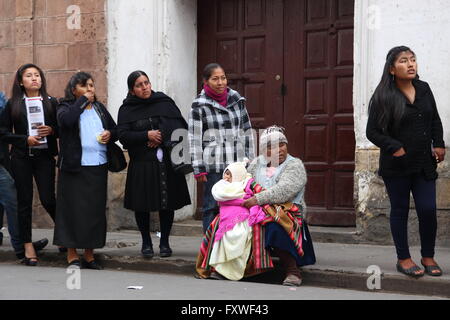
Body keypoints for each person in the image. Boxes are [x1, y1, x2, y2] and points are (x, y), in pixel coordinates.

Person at [196, 126, 316, 286]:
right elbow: (244, 182)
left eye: (281, 144)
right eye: (271, 146)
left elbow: (284, 191)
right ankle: (226, 268)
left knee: (273, 225)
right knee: (226, 222)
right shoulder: (256, 164)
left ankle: (292, 271)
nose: (278, 150)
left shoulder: (294, 165)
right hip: (258, 209)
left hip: (287, 211)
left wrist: (256, 199)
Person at [366, 46, 445, 278]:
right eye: (403, 61)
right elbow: (372, 132)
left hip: (423, 163)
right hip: (397, 165)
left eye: (413, 60)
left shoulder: (424, 89)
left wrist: (439, 143)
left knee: (428, 210)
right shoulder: (383, 96)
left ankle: (428, 256)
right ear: (392, 68)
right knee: (399, 210)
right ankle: (404, 258)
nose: (411, 64)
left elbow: (435, 120)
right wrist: (394, 147)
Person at [118, 71, 191, 258]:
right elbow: (123, 136)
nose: (145, 87)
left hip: (166, 161)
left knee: (167, 204)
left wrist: (161, 136)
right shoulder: (127, 109)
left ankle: (164, 242)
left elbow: (179, 127)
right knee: (142, 204)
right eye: (139, 85)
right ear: (132, 90)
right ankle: (146, 242)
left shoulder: (164, 102)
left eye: (146, 83)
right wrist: (146, 136)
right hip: (142, 162)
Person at [53, 72, 118, 269]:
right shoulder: (65, 107)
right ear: (74, 91)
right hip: (73, 168)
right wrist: (81, 102)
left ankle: (89, 255)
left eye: (91, 85)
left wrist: (109, 134)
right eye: (84, 86)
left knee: (94, 212)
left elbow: (116, 130)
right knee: (71, 211)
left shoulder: (99, 108)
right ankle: (72, 254)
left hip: (97, 165)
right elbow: (67, 122)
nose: (90, 89)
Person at [0, 64, 59, 265]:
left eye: (37, 75)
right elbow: (3, 132)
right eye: (29, 75)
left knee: (48, 199)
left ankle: (65, 235)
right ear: (20, 81)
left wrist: (51, 130)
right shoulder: (13, 104)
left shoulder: (51, 102)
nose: (34, 78)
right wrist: (24, 139)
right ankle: (27, 245)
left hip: (44, 158)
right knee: (24, 202)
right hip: (21, 158)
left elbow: (62, 129)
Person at [188, 63, 255, 233]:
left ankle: (234, 246)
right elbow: (194, 138)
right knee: (211, 206)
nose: (220, 82)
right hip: (213, 166)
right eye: (215, 79)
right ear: (206, 81)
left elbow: (247, 131)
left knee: (237, 204)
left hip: (237, 166)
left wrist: (251, 161)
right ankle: (210, 248)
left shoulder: (237, 100)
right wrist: (198, 169)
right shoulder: (199, 105)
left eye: (223, 78)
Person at [208, 161, 266, 280]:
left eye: (230, 175)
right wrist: (241, 200)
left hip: (243, 213)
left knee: (241, 233)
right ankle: (220, 270)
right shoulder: (221, 186)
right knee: (227, 234)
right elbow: (222, 199)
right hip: (227, 214)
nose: (226, 177)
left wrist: (250, 201)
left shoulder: (247, 183)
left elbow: (260, 193)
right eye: (226, 174)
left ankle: (233, 270)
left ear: (238, 175)